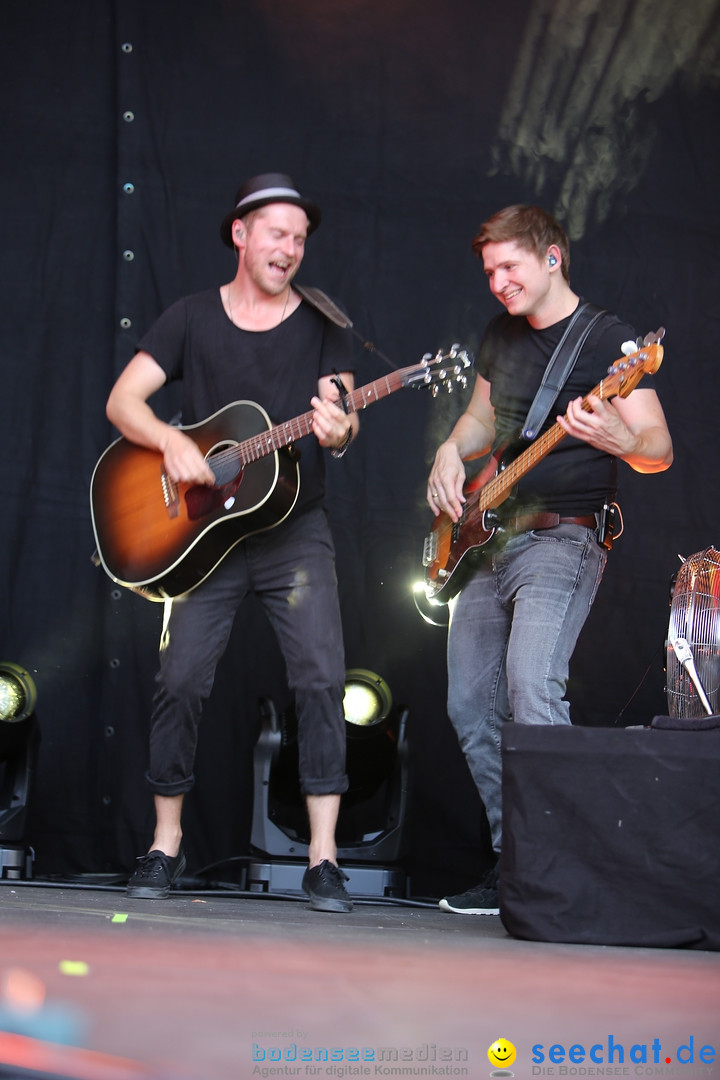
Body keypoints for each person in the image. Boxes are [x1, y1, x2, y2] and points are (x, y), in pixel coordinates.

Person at [106, 173, 359, 912]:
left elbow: (342, 416)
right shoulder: (189, 318)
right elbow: (123, 401)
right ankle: (165, 846)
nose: (291, 248)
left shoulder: (324, 322)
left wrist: (341, 431)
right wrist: (171, 444)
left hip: (294, 532)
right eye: (278, 233)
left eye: (301, 239)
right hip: (206, 539)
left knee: (319, 678)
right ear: (240, 234)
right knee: (180, 678)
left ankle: (322, 858)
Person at [426, 204, 673, 915]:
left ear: (552, 257)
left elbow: (658, 450)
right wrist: (451, 448)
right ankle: (518, 863)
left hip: (564, 538)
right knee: (470, 704)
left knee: (532, 688)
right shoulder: (500, 335)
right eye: (490, 272)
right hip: (490, 537)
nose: (498, 283)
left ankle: (563, 870)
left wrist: (615, 440)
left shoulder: (614, 343)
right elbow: (481, 417)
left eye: (511, 268)